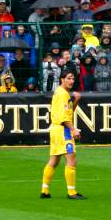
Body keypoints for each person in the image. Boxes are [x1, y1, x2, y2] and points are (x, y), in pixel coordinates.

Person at [40, 70, 85, 200]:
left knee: (54, 160)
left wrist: (76, 100)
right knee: (71, 158)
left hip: (55, 129)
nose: (72, 81)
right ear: (62, 79)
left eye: (73, 79)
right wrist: (73, 130)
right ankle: (72, 192)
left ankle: (45, 190)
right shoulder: (63, 94)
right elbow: (64, 117)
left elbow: (69, 112)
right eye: (69, 78)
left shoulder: (61, 93)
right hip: (62, 129)